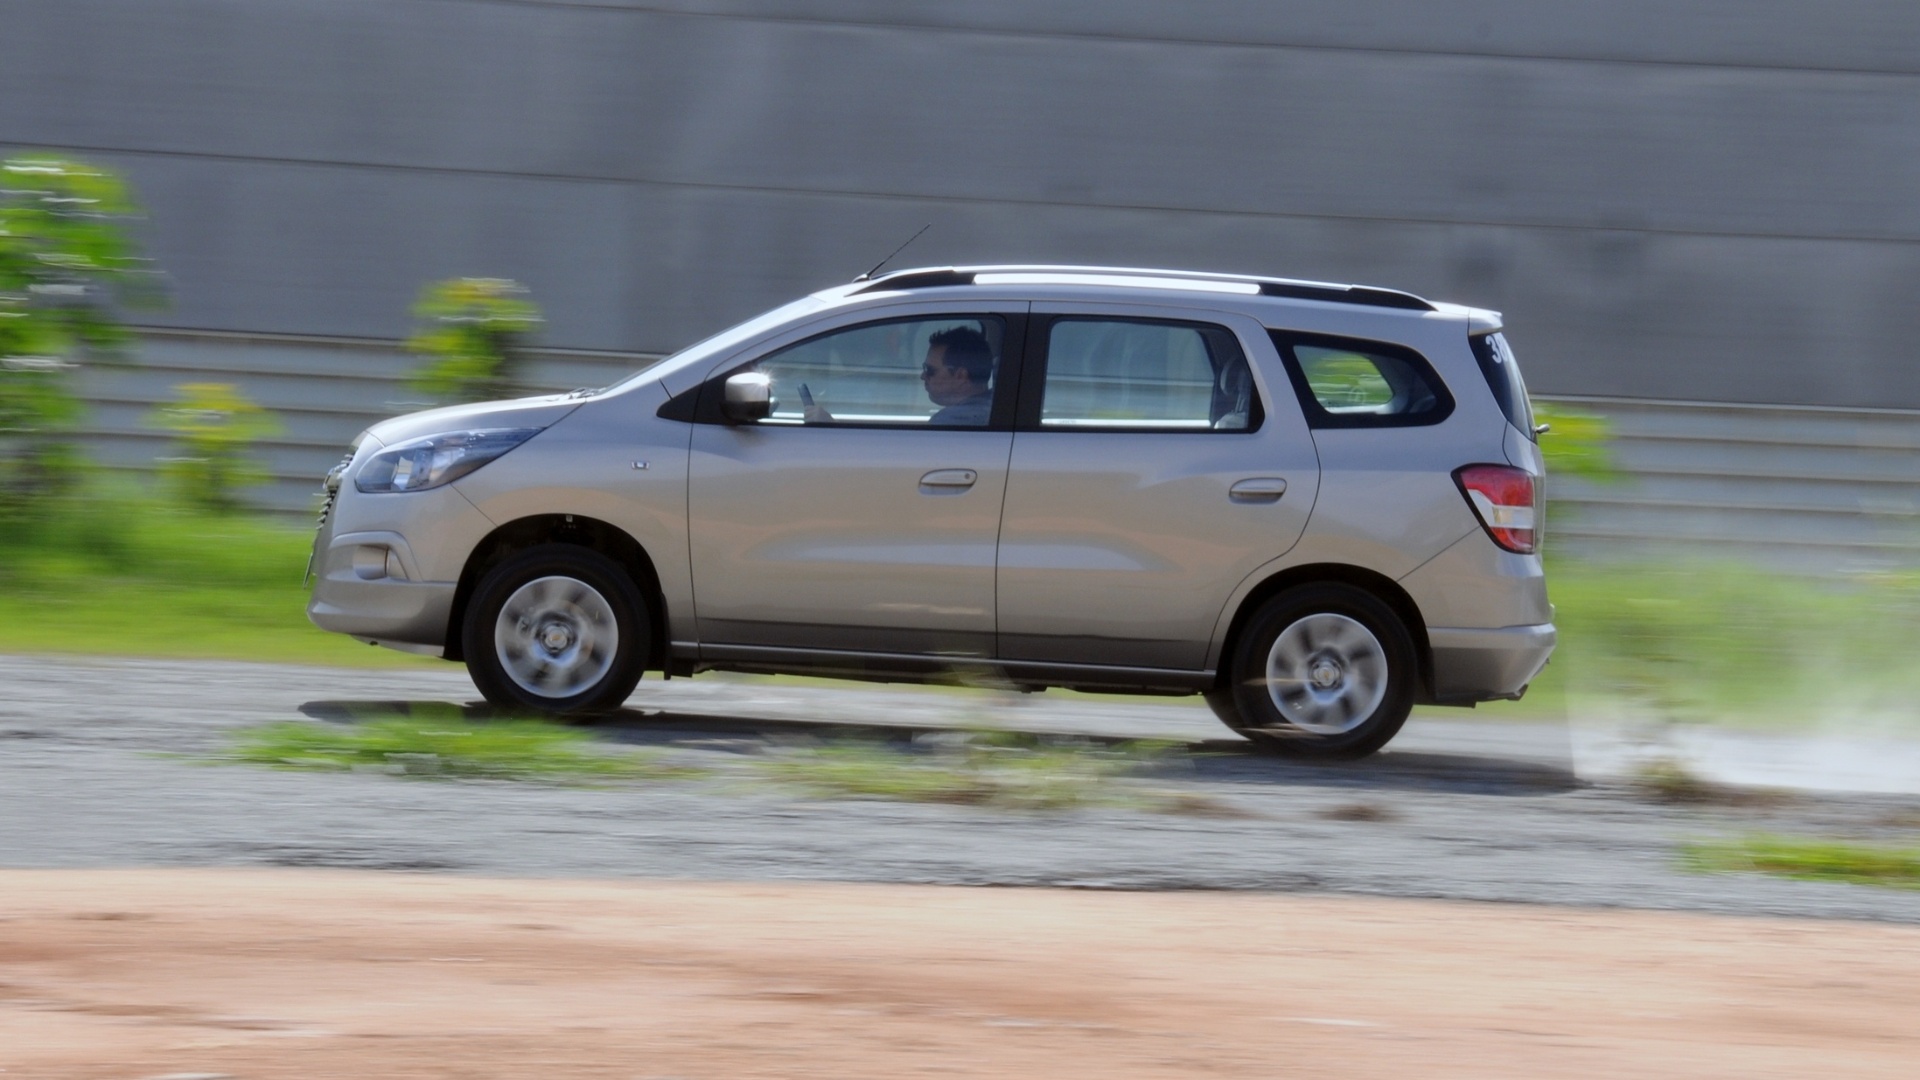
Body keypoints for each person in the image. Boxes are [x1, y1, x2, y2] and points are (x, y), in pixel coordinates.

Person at [922, 325, 994, 426]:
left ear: (961, 376)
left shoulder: (948, 422)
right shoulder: (994, 407)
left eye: (930, 370)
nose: (923, 376)